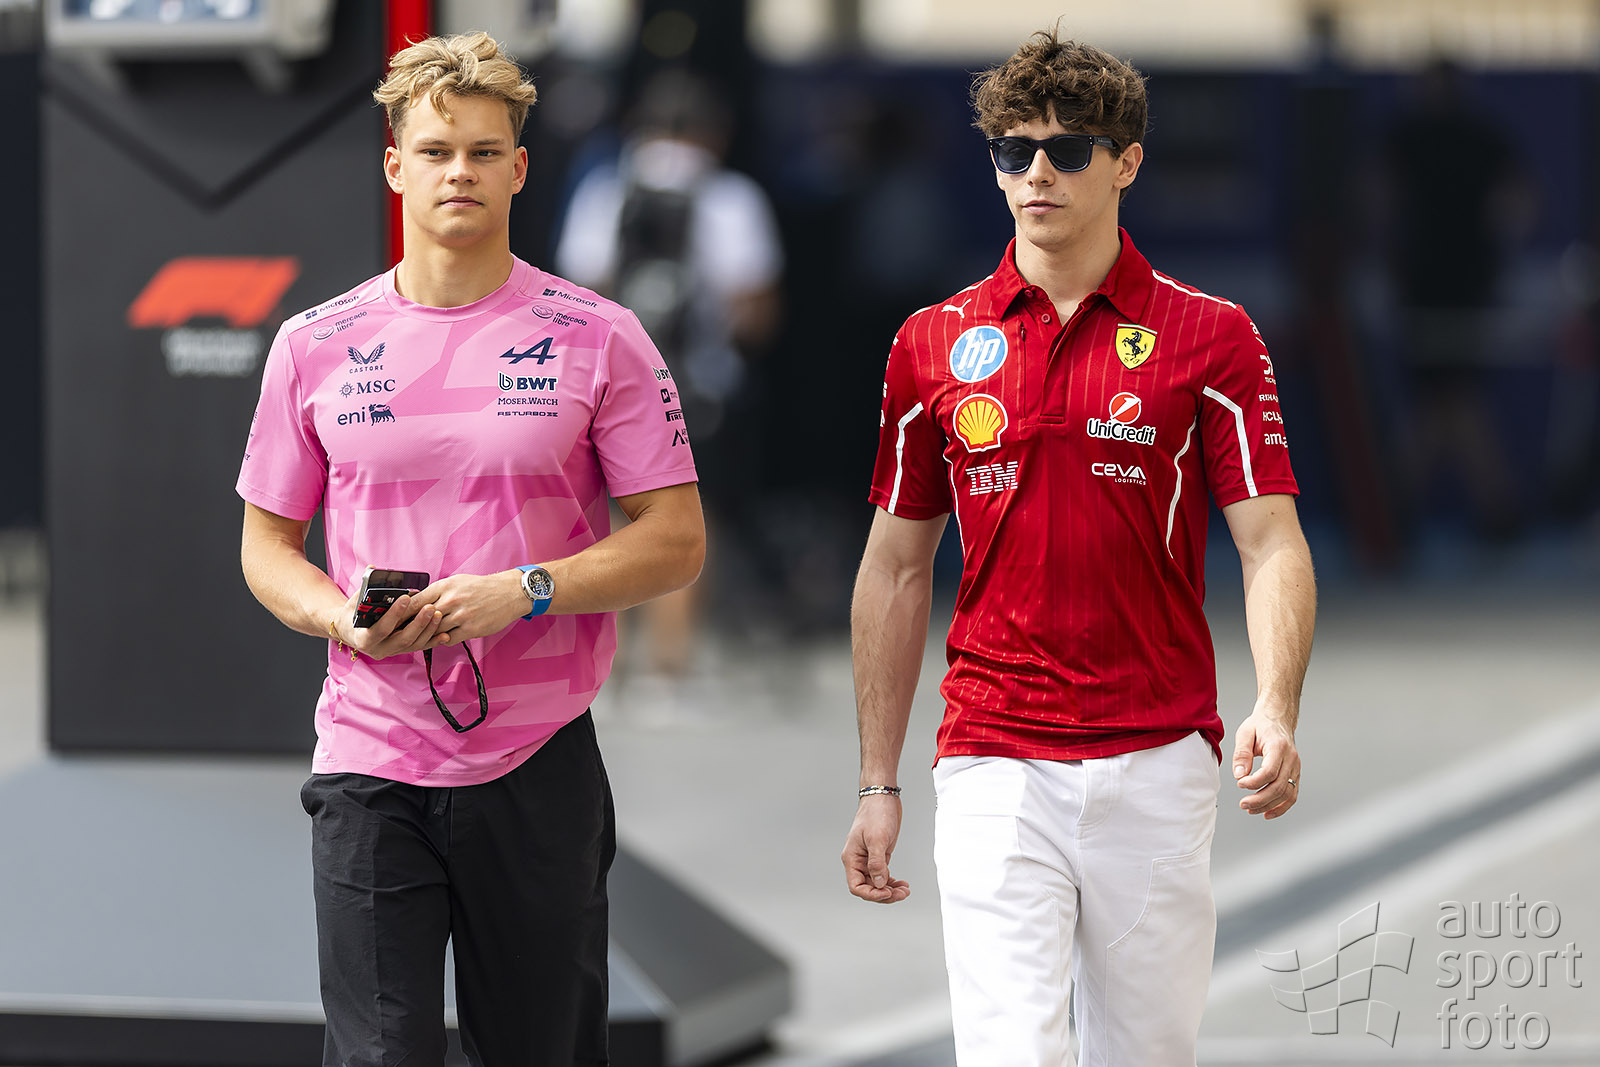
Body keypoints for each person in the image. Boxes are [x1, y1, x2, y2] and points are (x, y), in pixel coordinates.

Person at [840, 30, 1316, 1067]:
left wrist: (1275, 705)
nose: (1038, 174)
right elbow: (894, 565)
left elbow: (1270, 541)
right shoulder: (930, 341)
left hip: (1158, 756)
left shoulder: (1212, 335)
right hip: (992, 756)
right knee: (1011, 1052)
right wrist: (878, 781)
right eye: (1014, 152)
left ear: (1127, 161)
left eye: (1067, 150)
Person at [236, 32, 704, 1067]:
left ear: (519, 168)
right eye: (437, 151)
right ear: (394, 165)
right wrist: (340, 616)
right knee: (379, 1054)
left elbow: (676, 541)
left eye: (485, 152)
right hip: (369, 757)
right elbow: (266, 547)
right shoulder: (313, 342)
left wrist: (527, 589)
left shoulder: (601, 335)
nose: (461, 172)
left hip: (538, 759)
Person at [555, 67, 781, 674]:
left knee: (607, 514)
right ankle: (669, 665)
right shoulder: (731, 198)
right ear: (714, 133)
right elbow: (755, 309)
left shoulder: (605, 191)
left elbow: (575, 291)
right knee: (685, 517)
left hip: (605, 384)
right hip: (699, 385)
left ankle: (606, 665)